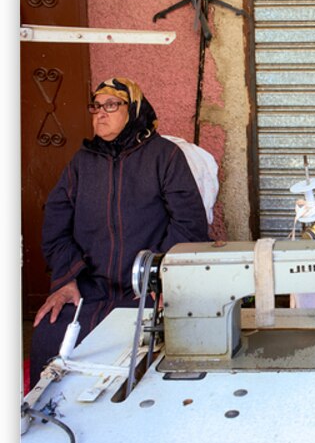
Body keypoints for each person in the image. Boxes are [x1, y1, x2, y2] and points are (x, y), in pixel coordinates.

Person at [28, 77, 210, 388]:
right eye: (96, 106)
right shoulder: (81, 163)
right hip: (91, 287)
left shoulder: (164, 157)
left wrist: (164, 275)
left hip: (145, 287)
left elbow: (189, 222)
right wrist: (66, 279)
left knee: (154, 353)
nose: (101, 113)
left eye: (111, 105)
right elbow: (56, 224)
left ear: (134, 109)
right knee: (51, 331)